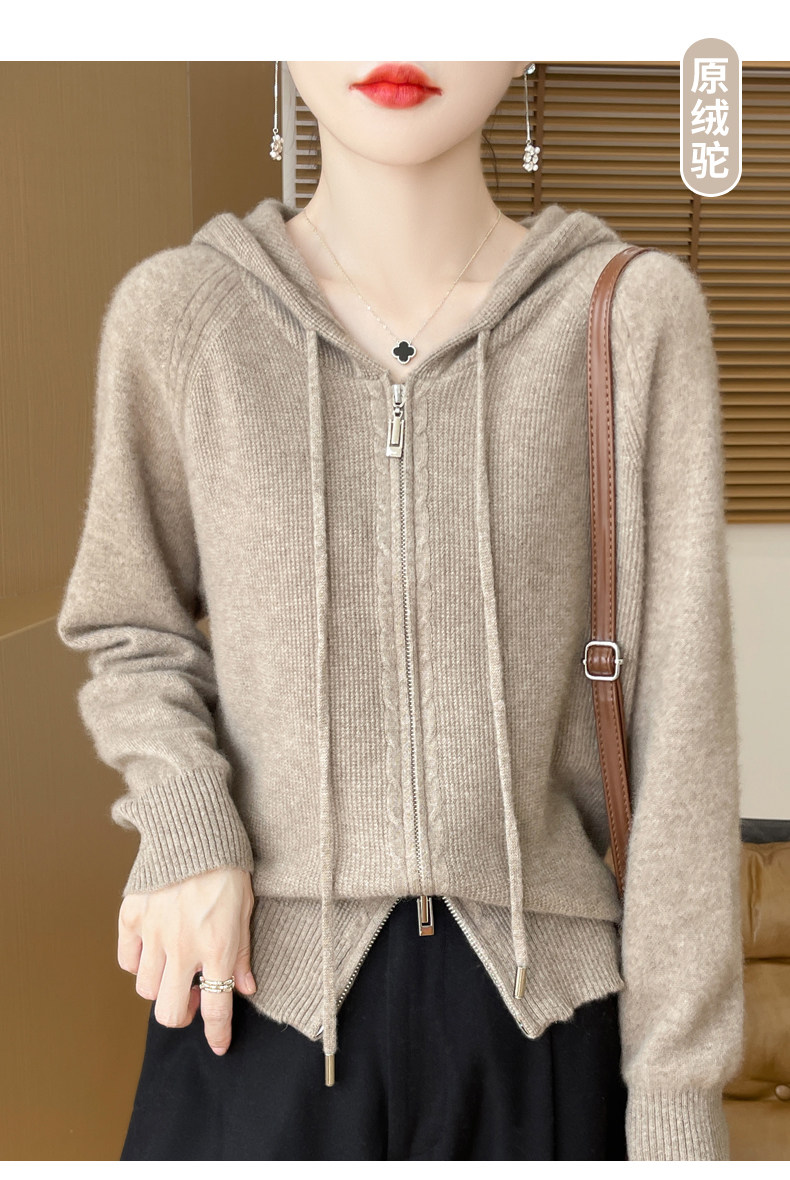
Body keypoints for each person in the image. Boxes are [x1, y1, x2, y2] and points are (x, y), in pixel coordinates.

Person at [56, 61, 745, 1161]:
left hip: (541, 1024)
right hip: (256, 1010)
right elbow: (129, 625)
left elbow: (684, 742)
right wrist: (187, 822)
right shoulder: (183, 315)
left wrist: (676, 1109)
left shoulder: (628, 317)